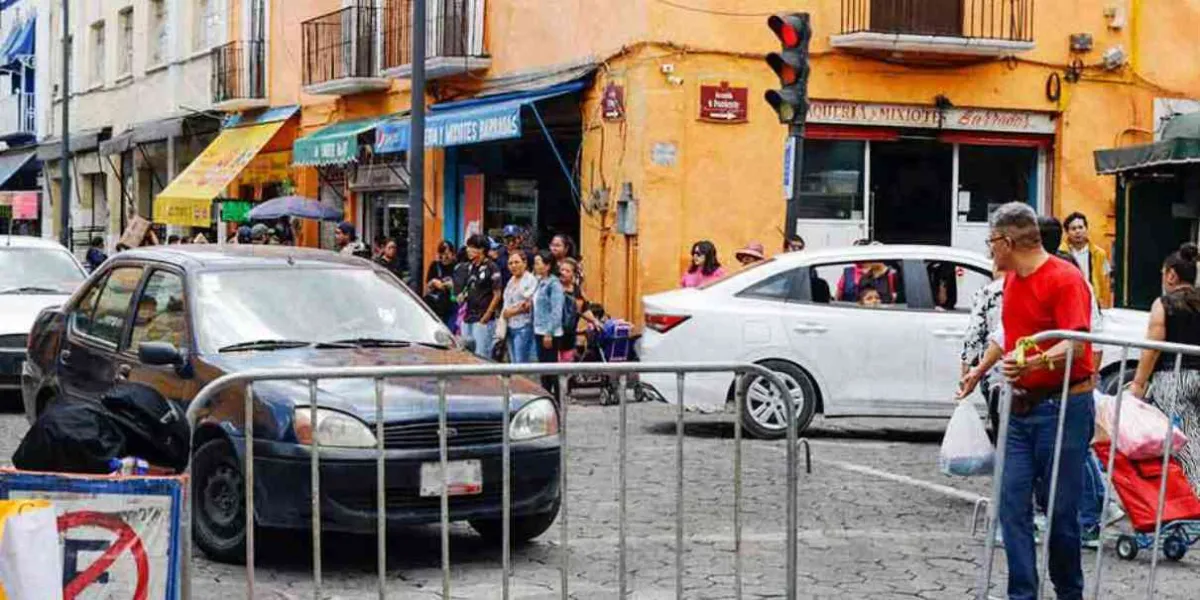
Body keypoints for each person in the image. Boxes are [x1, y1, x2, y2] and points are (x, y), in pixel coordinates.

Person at [960, 202, 1095, 600]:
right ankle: (1023, 593)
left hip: (1064, 408)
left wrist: (1035, 359)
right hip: (1021, 410)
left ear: (1006, 240)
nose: (989, 251)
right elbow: (1006, 333)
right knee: (1011, 505)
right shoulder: (1013, 282)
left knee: (1061, 515)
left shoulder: (1065, 279)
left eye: (991, 242)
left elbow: (1077, 343)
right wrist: (978, 370)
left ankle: (1069, 591)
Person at [1130, 242, 1200, 494]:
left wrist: (1138, 383)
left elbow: (1153, 346)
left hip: (1174, 380)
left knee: (1185, 445)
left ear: (1171, 274)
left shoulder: (1164, 304)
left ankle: (1192, 501)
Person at [461, 234, 501, 359]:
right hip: (468, 317)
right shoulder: (471, 267)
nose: (468, 250)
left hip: (483, 319)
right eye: (468, 247)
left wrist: (486, 316)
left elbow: (497, 294)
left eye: (472, 247)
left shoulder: (492, 267)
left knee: (481, 355)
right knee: (467, 355)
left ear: (482, 249)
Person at [1062, 212, 1113, 308]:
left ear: (1086, 229)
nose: (1078, 231)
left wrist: (1103, 303)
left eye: (1080, 227)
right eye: (1073, 229)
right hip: (1069, 300)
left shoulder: (1099, 253)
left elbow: (1106, 280)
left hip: (1092, 301)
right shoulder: (1061, 253)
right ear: (1067, 232)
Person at [532, 251, 565, 393]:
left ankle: (556, 398)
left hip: (549, 332)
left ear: (547, 266)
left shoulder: (554, 284)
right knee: (544, 369)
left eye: (538, 263)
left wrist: (549, 332)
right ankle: (546, 394)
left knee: (551, 368)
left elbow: (557, 311)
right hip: (538, 329)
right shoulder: (540, 282)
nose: (535, 266)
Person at [501, 251, 537, 364]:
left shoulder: (530, 279)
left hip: (524, 326)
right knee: (513, 361)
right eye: (510, 263)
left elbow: (528, 305)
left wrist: (511, 312)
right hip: (510, 325)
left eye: (516, 262)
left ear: (525, 263)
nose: (513, 266)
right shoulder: (511, 281)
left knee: (521, 362)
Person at [425, 240, 458, 328]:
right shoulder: (435, 265)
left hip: (452, 304)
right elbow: (428, 285)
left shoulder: (457, 266)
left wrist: (452, 285)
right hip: (437, 305)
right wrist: (434, 282)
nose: (445, 257)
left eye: (448, 253)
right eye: (443, 253)